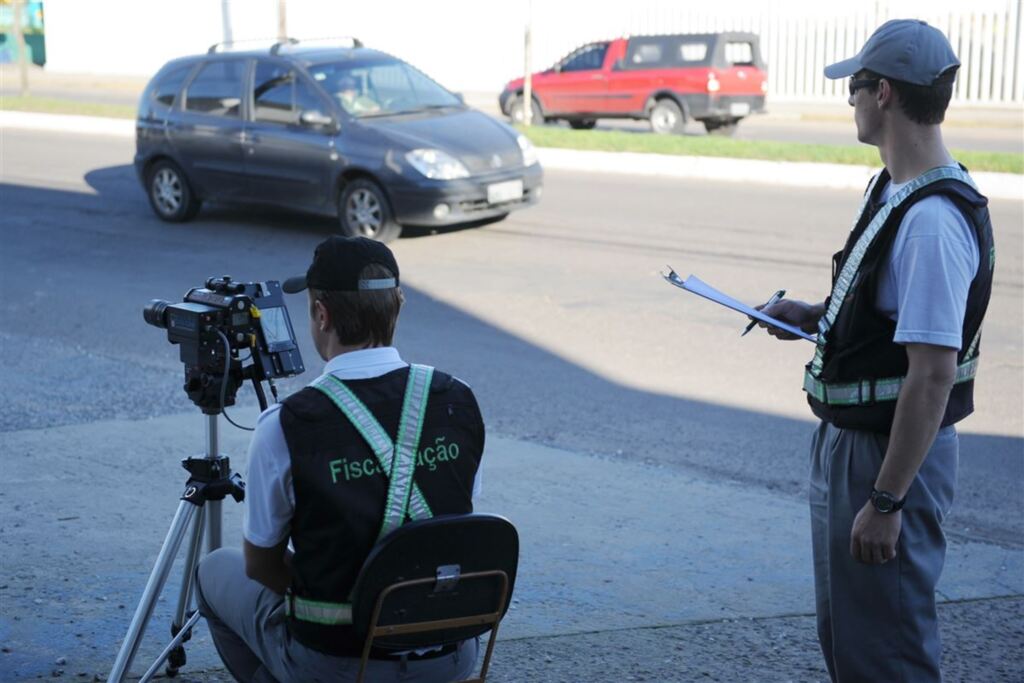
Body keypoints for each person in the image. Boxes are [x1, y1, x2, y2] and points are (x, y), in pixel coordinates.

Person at [758, 19, 994, 683]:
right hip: (855, 445)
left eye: (856, 88)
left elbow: (932, 375)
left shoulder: (932, 222)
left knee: (888, 653)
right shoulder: (891, 188)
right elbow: (886, 321)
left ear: (884, 93)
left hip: (889, 457)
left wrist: (887, 501)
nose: (850, 101)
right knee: (853, 639)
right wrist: (814, 315)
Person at [195, 236, 484, 682]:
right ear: (399, 306)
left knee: (215, 569)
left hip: (337, 662)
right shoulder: (459, 399)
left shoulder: (285, 425)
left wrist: (336, 594)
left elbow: (261, 565)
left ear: (321, 315)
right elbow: (453, 523)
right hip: (449, 657)